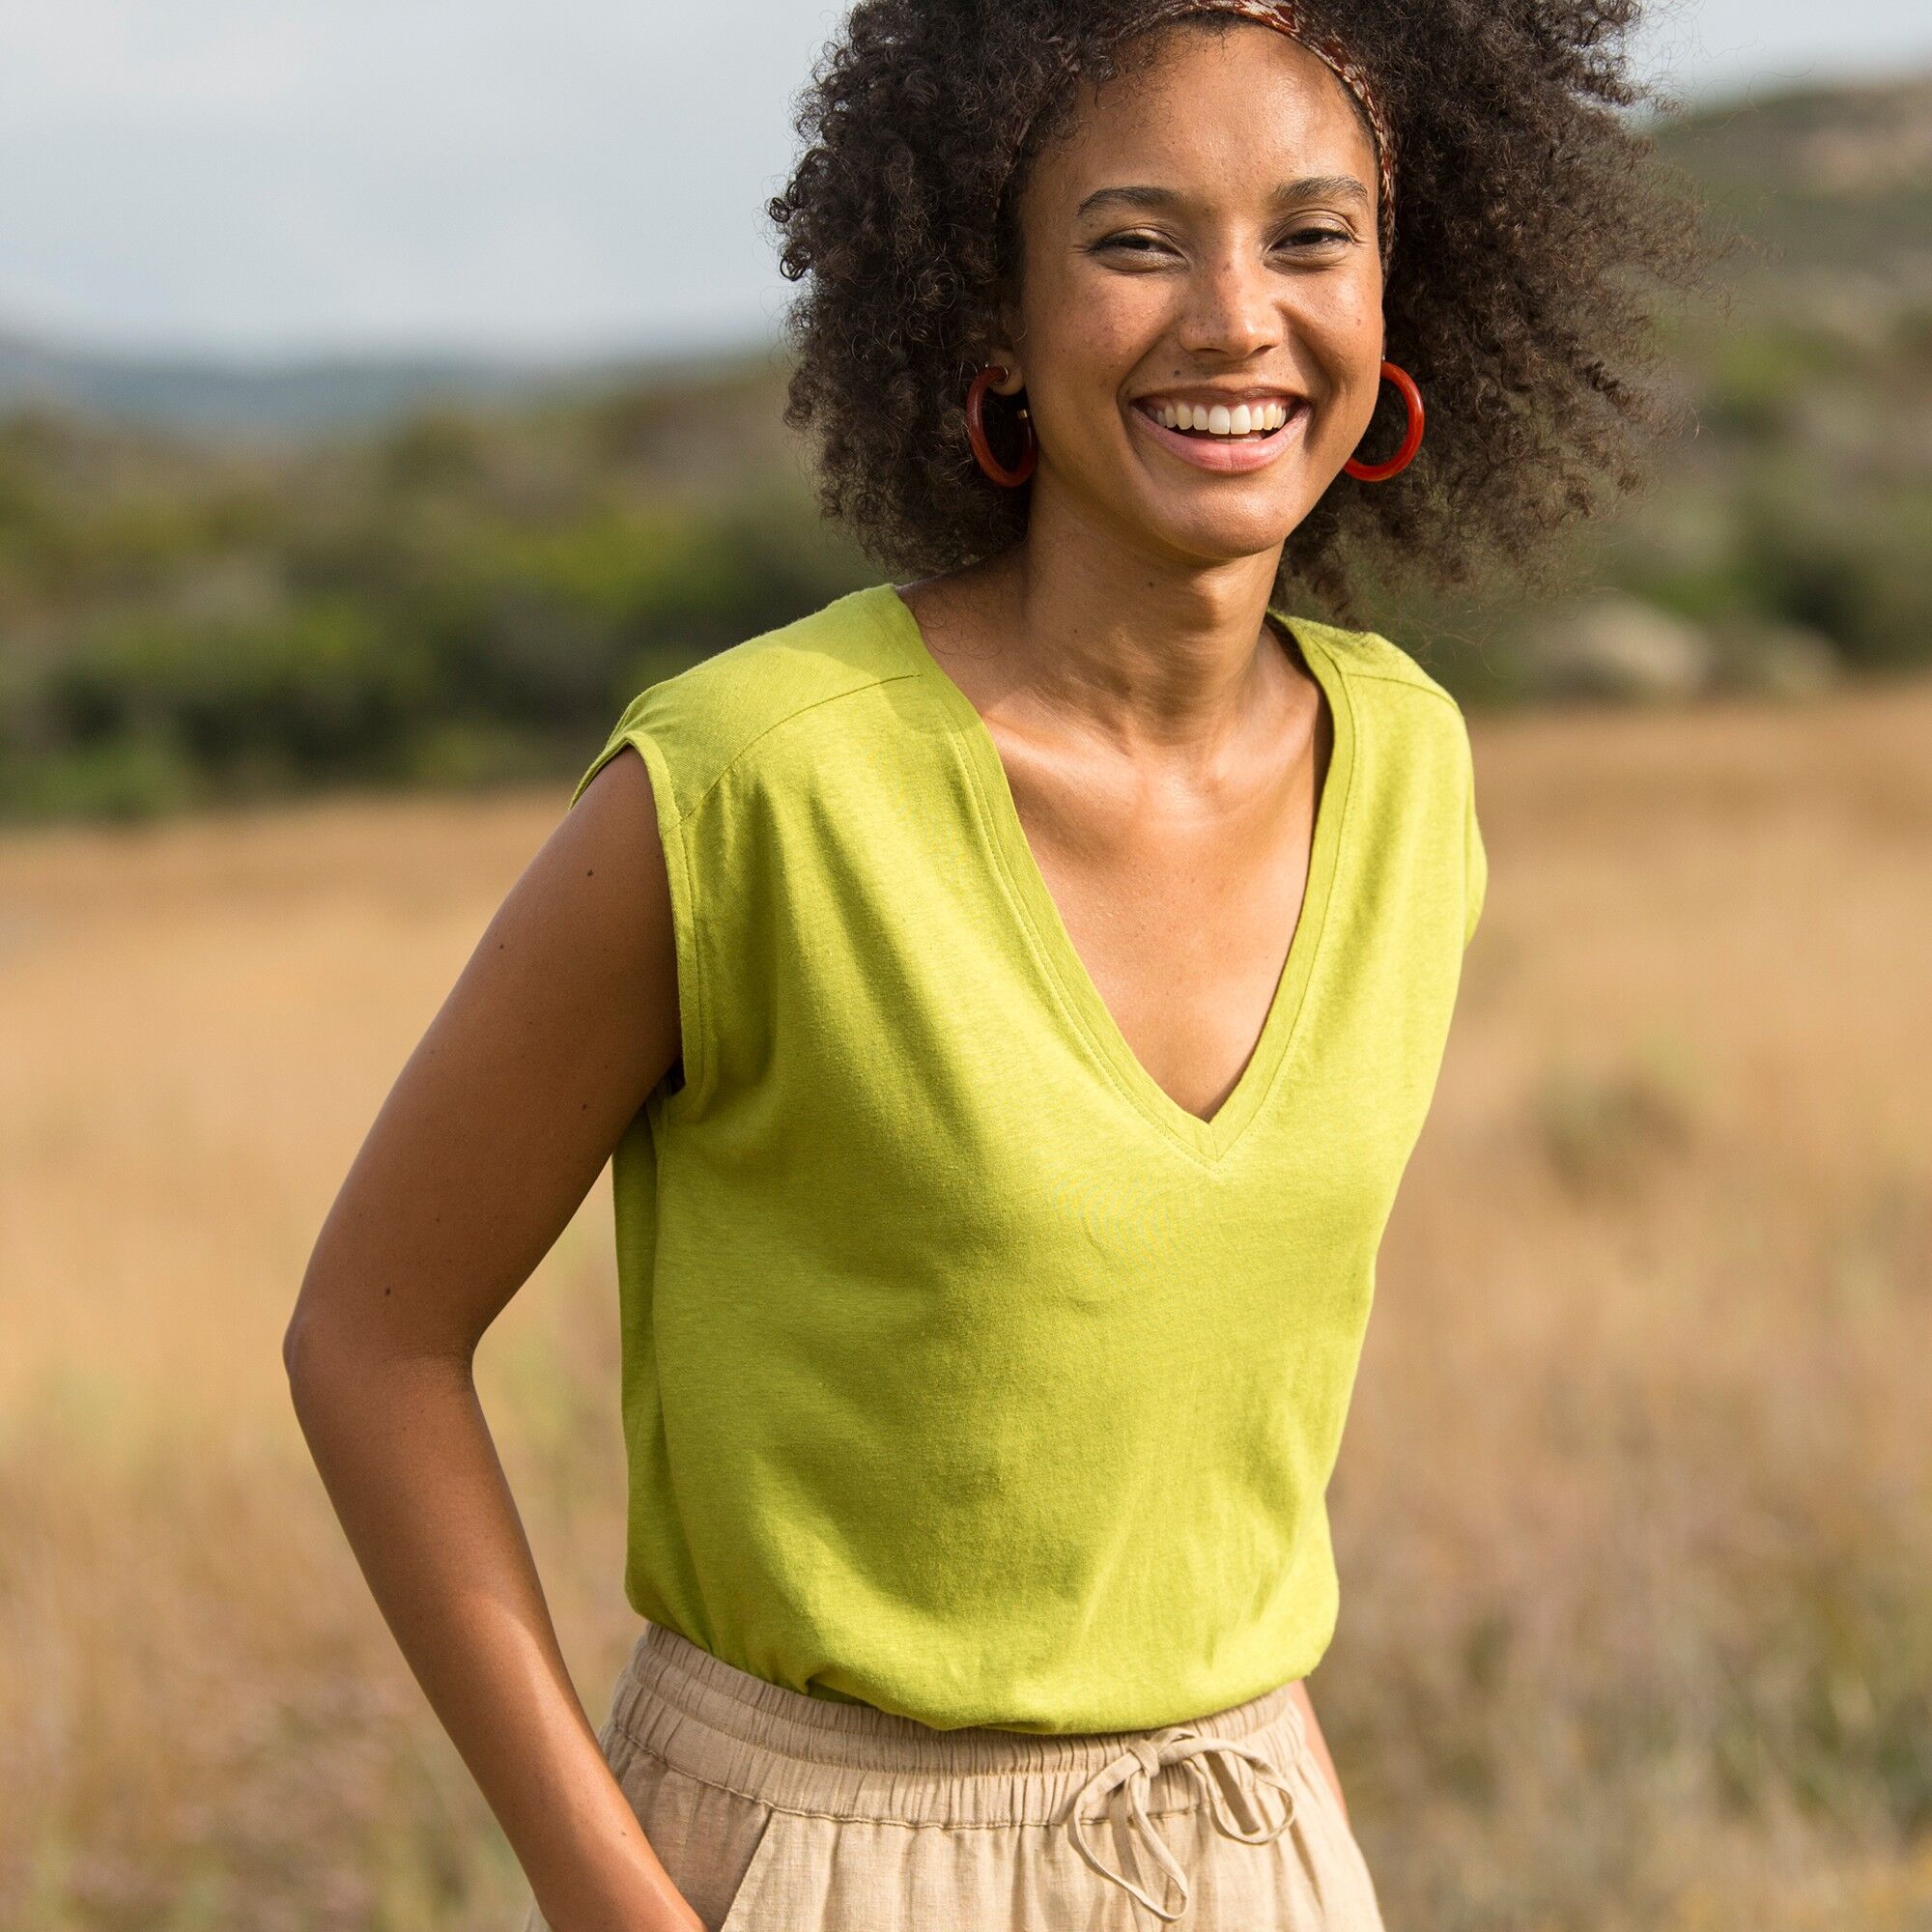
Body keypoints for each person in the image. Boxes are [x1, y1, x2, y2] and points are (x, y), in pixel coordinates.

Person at [284, 3, 1713, 1927]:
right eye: (1136, 241)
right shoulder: (753, 787)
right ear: (991, 313)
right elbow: (370, 1340)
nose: (1234, 319)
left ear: (1400, 291)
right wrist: (611, 1900)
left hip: (1253, 1839)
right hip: (804, 1861)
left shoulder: (1408, 769)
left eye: (1312, 236)